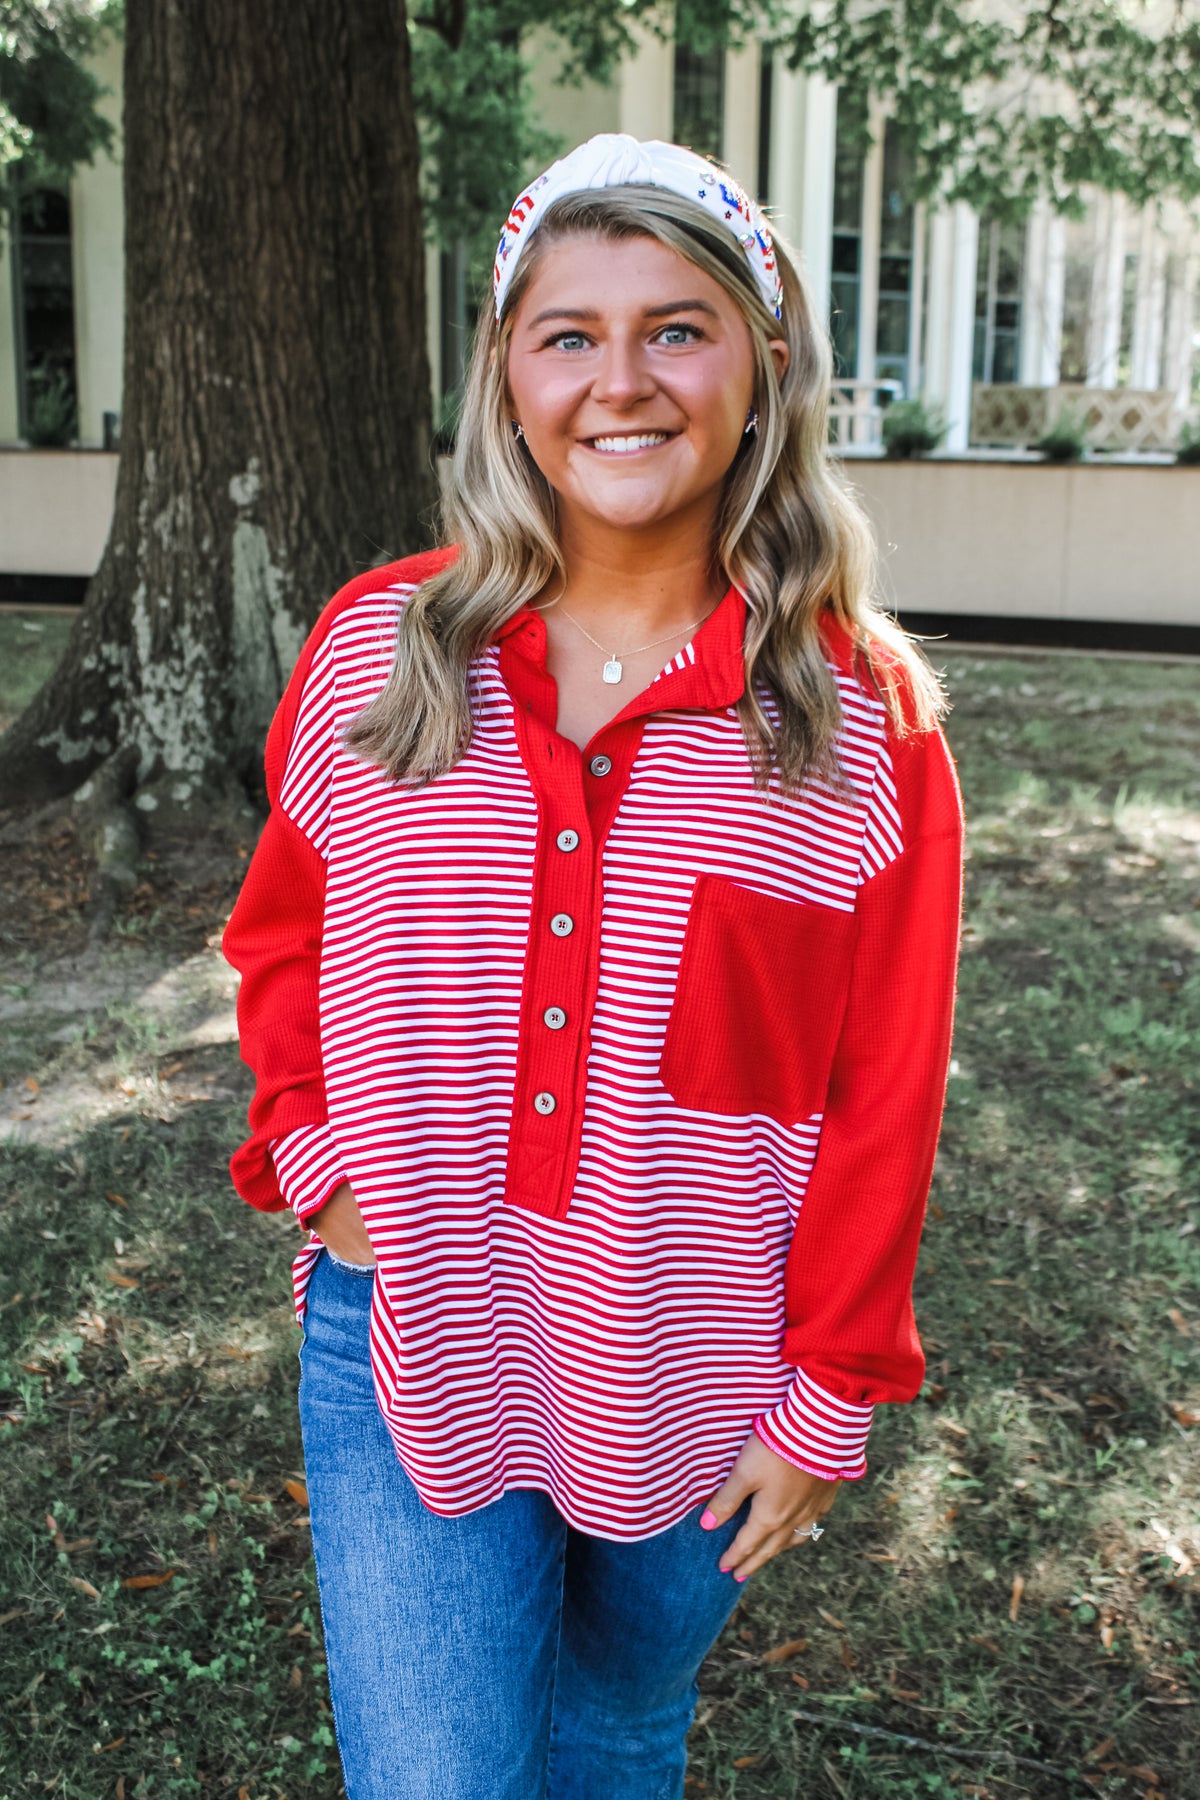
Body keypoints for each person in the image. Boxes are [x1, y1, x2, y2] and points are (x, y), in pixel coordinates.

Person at [223, 133, 964, 1800]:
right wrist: (310, 1144)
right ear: (507, 374)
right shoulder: (387, 645)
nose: (621, 383)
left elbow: (880, 1094)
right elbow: (285, 931)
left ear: (765, 372)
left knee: (620, 1728)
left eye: (677, 329)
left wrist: (831, 1392)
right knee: (443, 1781)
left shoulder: (861, 729)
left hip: (699, 1366)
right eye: (570, 334)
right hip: (413, 1320)